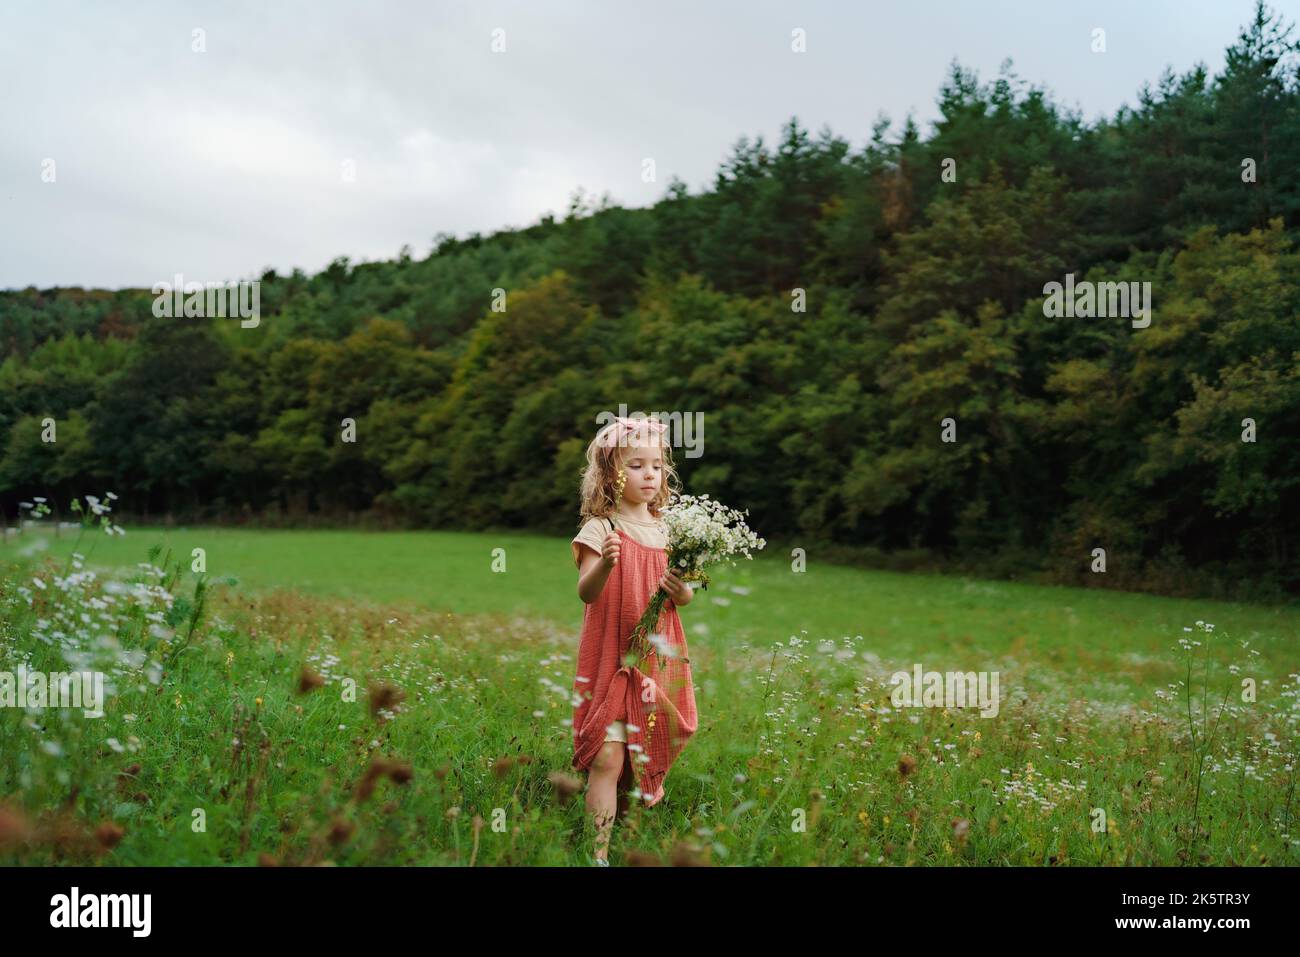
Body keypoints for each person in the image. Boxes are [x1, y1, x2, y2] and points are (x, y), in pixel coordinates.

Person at [569, 415, 698, 865]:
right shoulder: (601, 530)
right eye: (637, 465)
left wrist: (684, 593)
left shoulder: (670, 530)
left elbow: (684, 593)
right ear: (611, 473)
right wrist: (605, 563)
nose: (650, 475)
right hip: (610, 654)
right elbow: (587, 591)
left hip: (655, 655)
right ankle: (596, 855)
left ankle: (626, 833)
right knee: (607, 757)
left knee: (633, 757)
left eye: (657, 466)